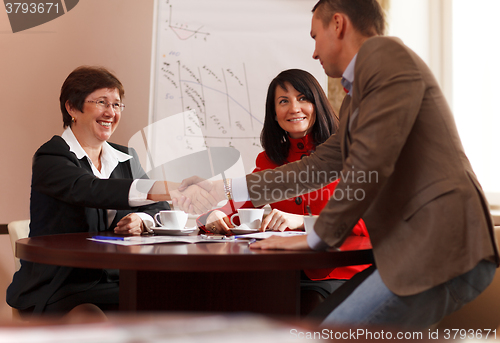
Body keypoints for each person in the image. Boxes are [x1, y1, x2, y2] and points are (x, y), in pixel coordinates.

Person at [179, 0, 499, 329]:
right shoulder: (355, 96)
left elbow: (370, 164)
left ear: (338, 25)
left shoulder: (385, 57)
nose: (314, 53)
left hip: (439, 249)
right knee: (313, 328)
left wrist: (315, 233)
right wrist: (223, 187)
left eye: (315, 37)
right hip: (411, 253)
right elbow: (317, 167)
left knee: (323, 334)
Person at [6, 66, 213, 316]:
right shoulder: (51, 156)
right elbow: (92, 189)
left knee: (178, 297)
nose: (111, 112)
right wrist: (173, 188)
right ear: (72, 108)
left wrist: (141, 219)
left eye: (117, 105)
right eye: (102, 102)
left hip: (115, 279)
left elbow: (155, 209)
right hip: (61, 283)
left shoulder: (125, 157)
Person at [197, 69, 370, 313]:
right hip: (288, 272)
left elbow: (364, 221)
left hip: (342, 271)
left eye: (302, 98)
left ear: (317, 104)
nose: (294, 108)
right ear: (274, 113)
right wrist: (210, 216)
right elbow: (233, 207)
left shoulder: (344, 153)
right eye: (283, 101)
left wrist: (302, 221)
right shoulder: (268, 161)